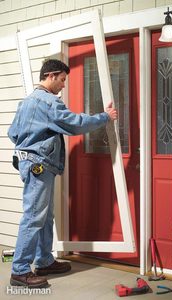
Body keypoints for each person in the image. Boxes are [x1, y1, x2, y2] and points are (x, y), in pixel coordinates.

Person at [7, 59, 118, 288]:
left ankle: (45, 261)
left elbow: (13, 133)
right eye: (62, 80)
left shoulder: (26, 102)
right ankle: (19, 271)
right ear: (51, 75)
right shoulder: (48, 103)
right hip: (39, 166)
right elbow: (76, 124)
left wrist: (30, 147)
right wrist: (105, 117)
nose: (64, 85)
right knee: (34, 217)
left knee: (45, 217)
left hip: (32, 165)